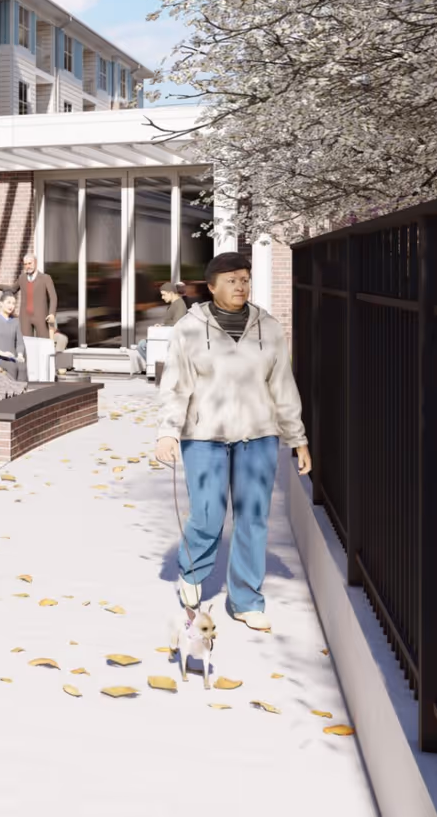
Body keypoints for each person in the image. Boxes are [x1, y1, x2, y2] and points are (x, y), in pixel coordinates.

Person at [155, 252, 313, 633]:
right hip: (204, 437)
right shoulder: (189, 330)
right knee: (207, 515)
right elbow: (175, 386)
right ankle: (192, 572)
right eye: (231, 280)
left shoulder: (269, 328)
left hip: (258, 437)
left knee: (253, 518)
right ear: (211, 287)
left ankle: (246, 599)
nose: (241, 286)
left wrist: (298, 438)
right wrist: (167, 431)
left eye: (245, 279)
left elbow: (283, 387)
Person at [0, 253, 67, 350]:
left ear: (35, 263)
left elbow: (53, 297)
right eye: (25, 264)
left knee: (44, 343)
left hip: (41, 316)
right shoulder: (22, 278)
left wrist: (52, 313)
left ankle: (44, 360)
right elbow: (12, 289)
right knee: (26, 343)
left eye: (30, 263)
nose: (27, 266)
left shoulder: (45, 278)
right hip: (25, 317)